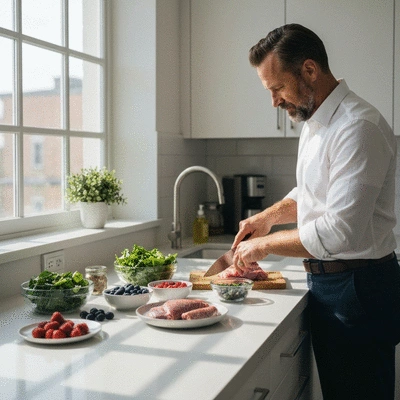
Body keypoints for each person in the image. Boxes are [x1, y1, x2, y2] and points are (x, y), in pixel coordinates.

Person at [231, 23, 400, 400]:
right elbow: (311, 192)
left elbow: (341, 232)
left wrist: (264, 246)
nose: (274, 101)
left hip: (358, 289)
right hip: (334, 284)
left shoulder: (358, 127)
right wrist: (268, 217)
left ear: (309, 70)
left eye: (277, 88)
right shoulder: (317, 119)